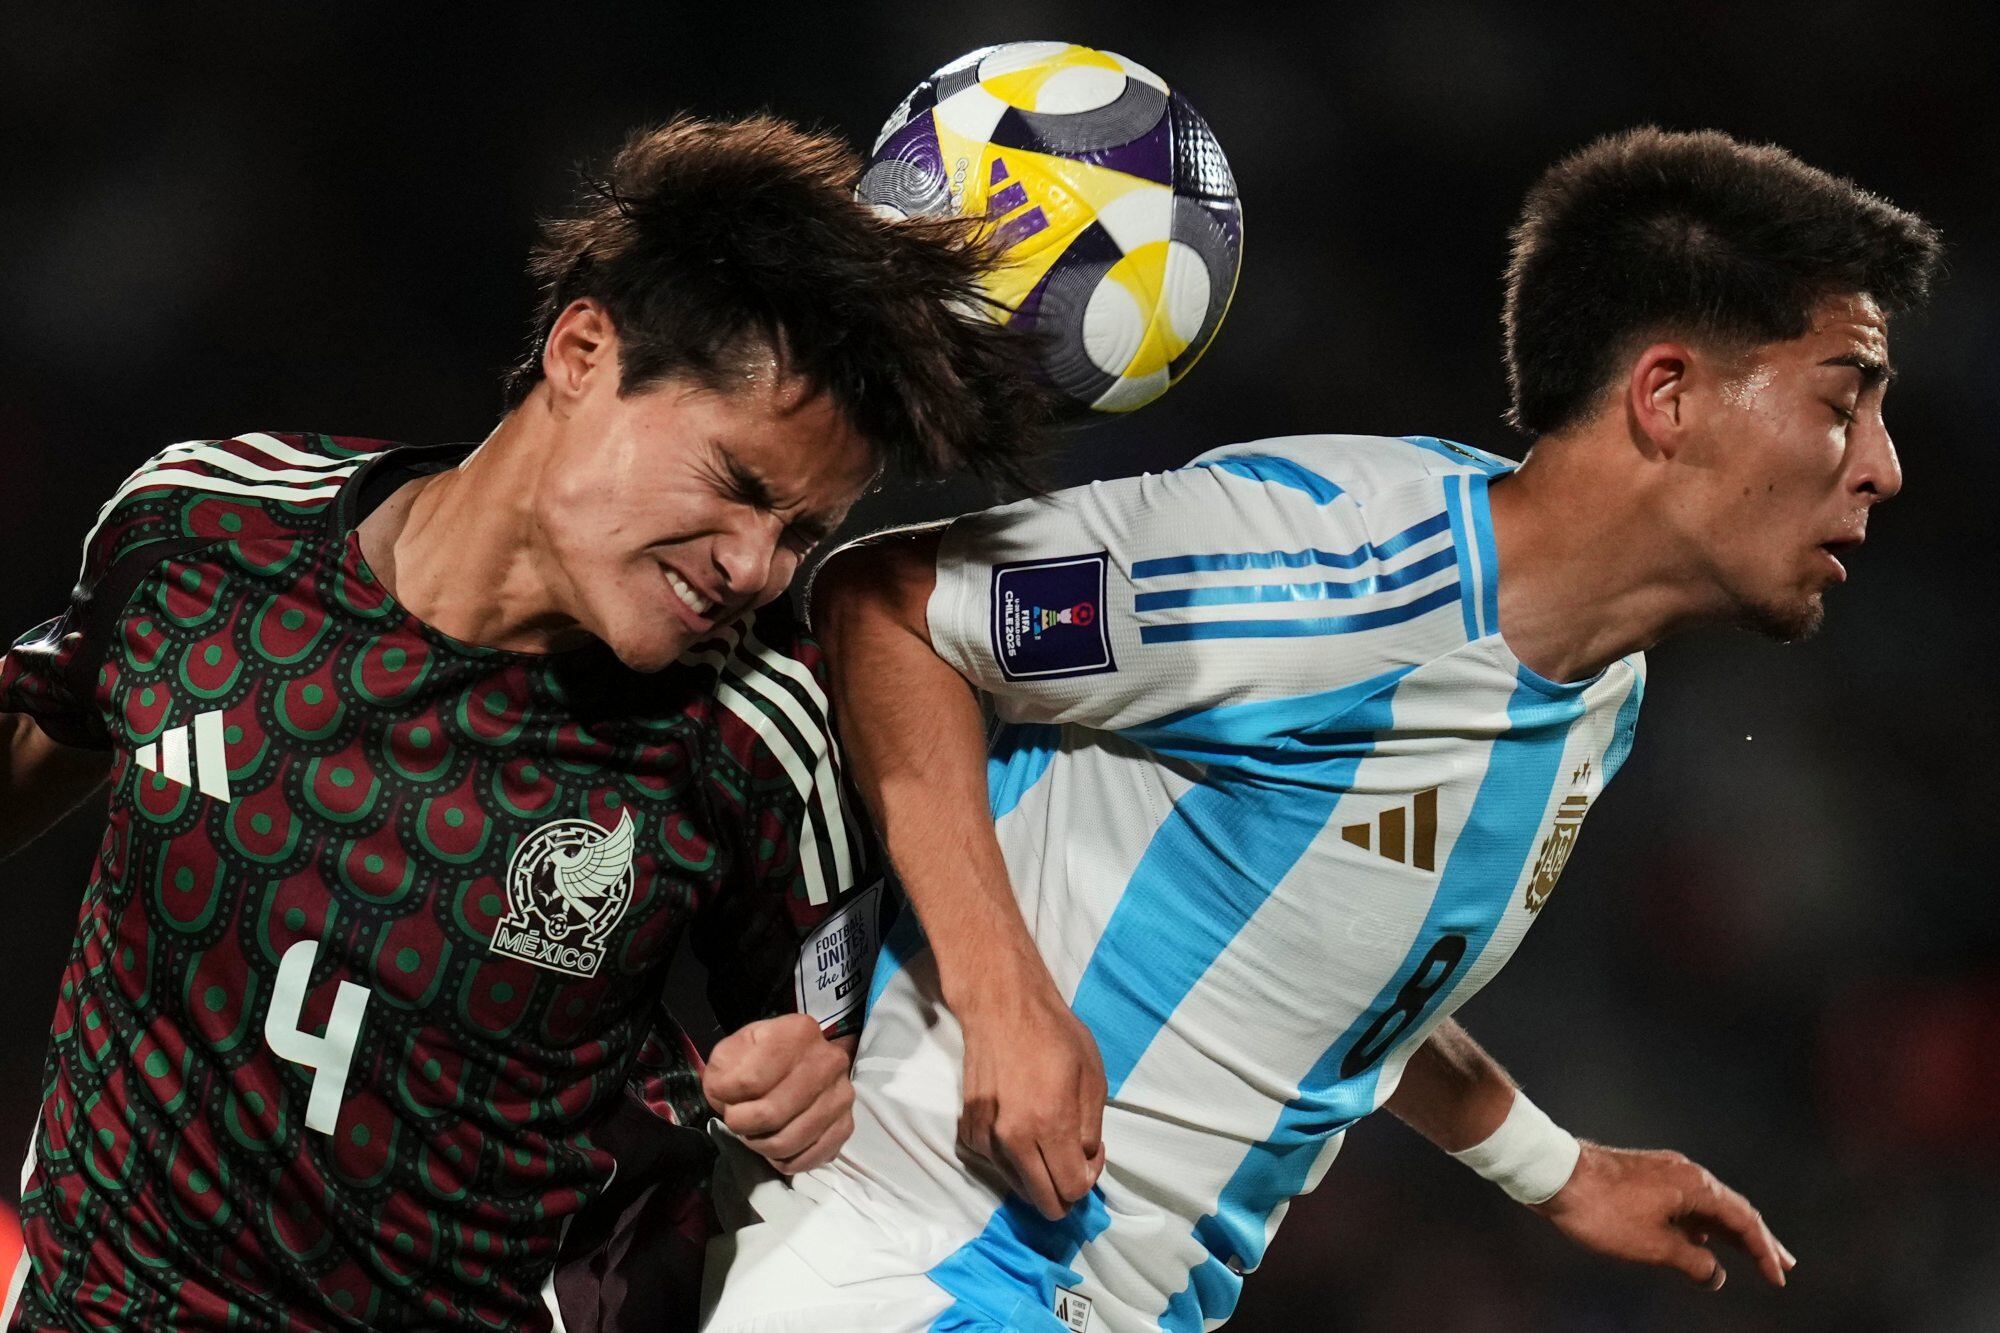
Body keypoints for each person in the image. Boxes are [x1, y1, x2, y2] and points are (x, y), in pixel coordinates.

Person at [700, 127, 1942, 1331]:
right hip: (922, 1263)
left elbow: (1339, 965)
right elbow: (893, 608)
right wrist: (1002, 998)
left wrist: (1553, 1169)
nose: (1880, 465)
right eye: (1844, 401)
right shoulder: (1328, 575)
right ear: (1664, 394)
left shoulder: (1596, 688)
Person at [0, 115, 1047, 1331]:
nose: (758, 564)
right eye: (737, 486)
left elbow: (847, 1047)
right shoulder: (202, 534)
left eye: (802, 533)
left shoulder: (755, 733)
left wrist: (822, 1074)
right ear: (583, 349)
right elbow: (47, 720)